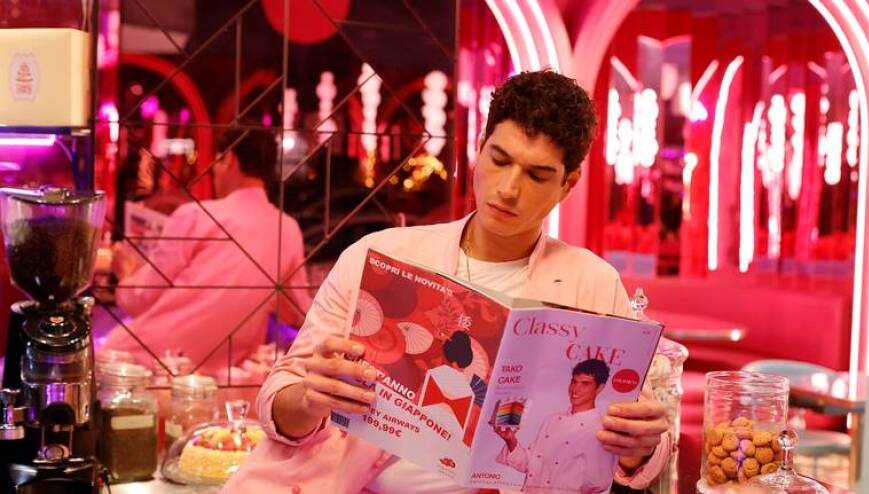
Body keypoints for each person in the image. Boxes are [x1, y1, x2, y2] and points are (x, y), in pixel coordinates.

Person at [223, 70, 671, 494]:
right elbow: (278, 402)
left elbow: (640, 444)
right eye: (499, 160)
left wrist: (640, 445)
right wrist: (309, 399)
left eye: (537, 175)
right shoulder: (382, 256)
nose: (509, 189)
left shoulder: (593, 283)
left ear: (568, 185)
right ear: (480, 147)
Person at [102, 128, 311, 378]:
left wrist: (125, 271)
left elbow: (138, 300)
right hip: (232, 374)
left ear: (229, 160)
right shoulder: (287, 229)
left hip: (154, 364)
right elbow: (298, 312)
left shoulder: (196, 216)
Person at [494, 359, 615, 494]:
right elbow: (530, 463)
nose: (575, 389)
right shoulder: (552, 420)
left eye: (585, 384)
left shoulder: (601, 430)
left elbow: (599, 483)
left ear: (600, 387)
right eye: (574, 382)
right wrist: (511, 440)